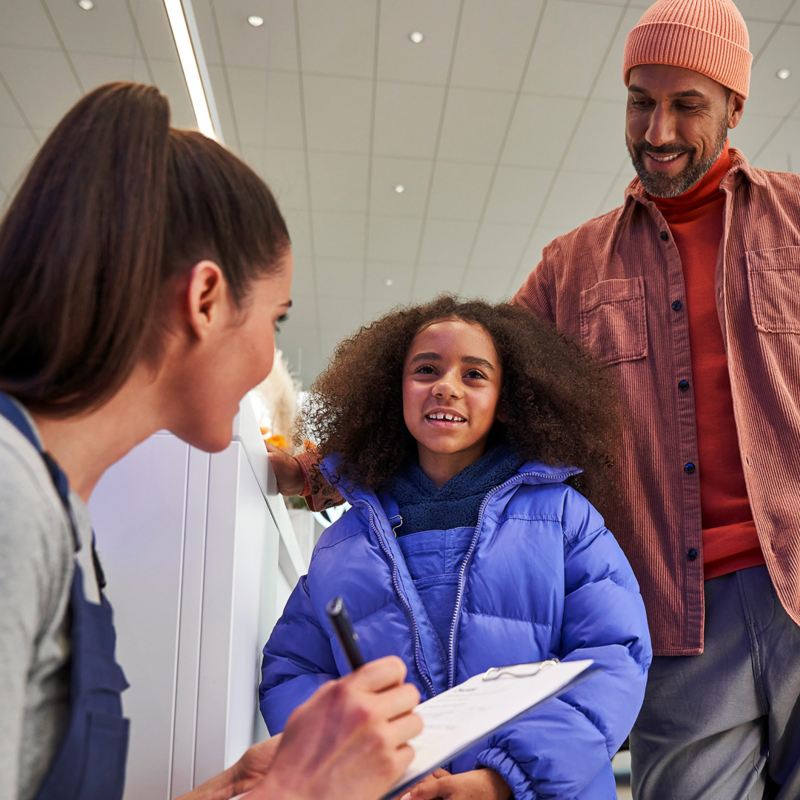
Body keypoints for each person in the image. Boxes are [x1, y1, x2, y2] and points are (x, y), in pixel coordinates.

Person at [269, 1, 800, 796]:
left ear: (734, 107)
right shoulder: (572, 267)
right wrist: (330, 470)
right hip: (676, 616)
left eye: (687, 105)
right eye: (639, 100)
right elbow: (472, 390)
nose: (657, 131)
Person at [0, 81, 422, 800]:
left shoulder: (55, 514)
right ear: (204, 300)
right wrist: (302, 793)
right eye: (275, 321)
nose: (269, 360)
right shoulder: (12, 505)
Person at [260, 296, 652, 799]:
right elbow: (292, 673)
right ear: (392, 393)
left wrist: (503, 779)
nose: (446, 386)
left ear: (507, 400)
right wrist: (368, 765)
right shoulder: (344, 543)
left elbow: (614, 657)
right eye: (427, 369)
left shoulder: (565, 522)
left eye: (474, 375)